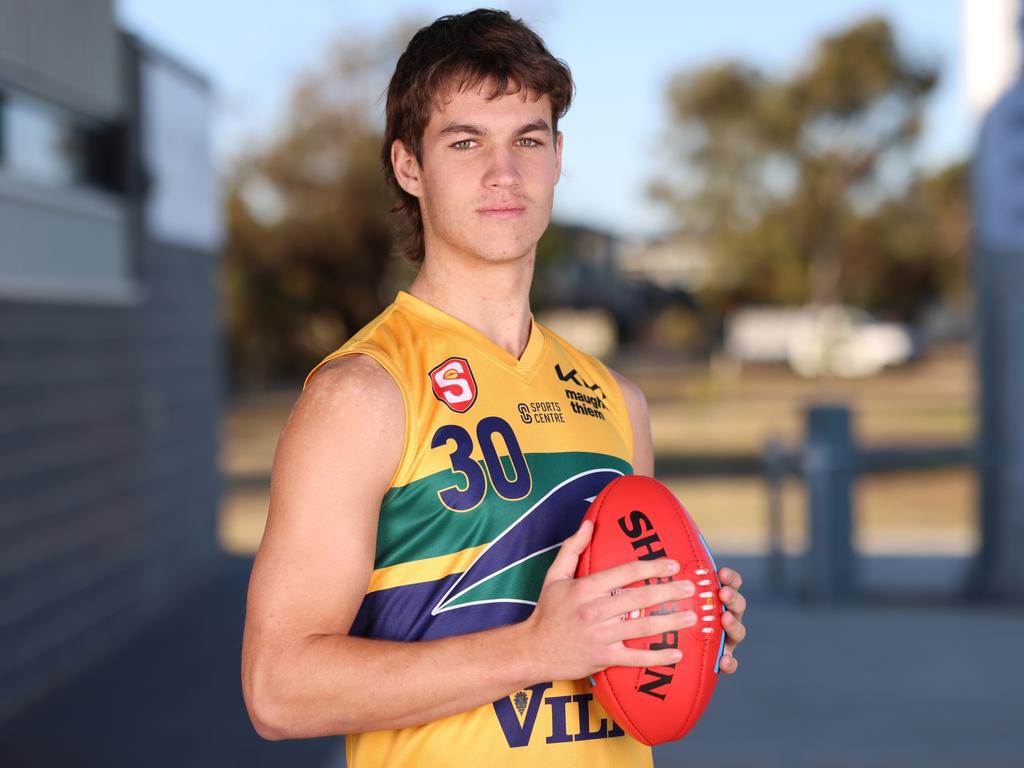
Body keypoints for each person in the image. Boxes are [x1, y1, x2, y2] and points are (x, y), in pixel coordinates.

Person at [241, 9, 747, 767]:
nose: (503, 173)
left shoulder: (616, 401)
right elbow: (277, 689)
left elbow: (611, 645)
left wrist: (680, 625)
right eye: (466, 141)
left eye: (528, 140)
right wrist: (535, 649)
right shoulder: (362, 394)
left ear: (557, 156)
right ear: (409, 166)